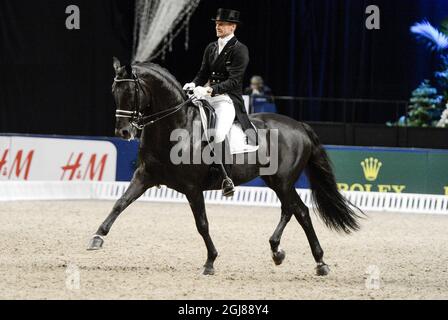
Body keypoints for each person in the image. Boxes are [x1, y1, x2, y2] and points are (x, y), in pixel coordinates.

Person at [183, 8, 257, 197]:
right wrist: (194, 84)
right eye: (217, 24)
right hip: (208, 96)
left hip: (227, 100)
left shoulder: (240, 49)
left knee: (217, 133)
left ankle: (226, 177)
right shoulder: (211, 47)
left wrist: (209, 89)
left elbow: (234, 80)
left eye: (222, 24)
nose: (218, 26)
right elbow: (203, 73)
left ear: (232, 27)